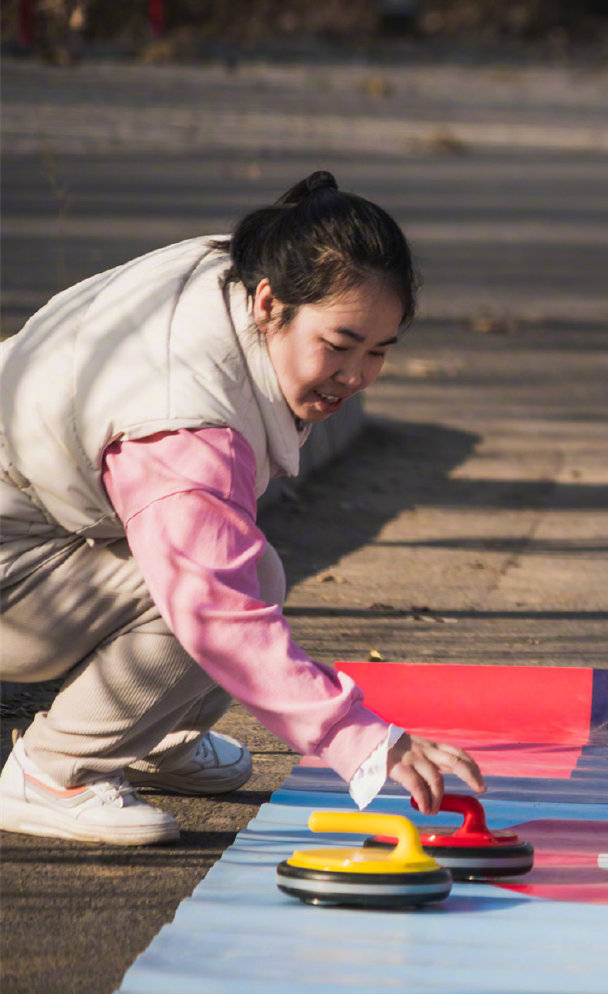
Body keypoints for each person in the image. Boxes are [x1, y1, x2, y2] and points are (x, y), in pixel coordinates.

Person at [0, 171, 485, 846]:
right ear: (269, 303)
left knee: (241, 563)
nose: (356, 376)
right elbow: (213, 609)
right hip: (13, 558)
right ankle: (53, 772)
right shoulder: (187, 419)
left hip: (33, 518)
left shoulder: (236, 269)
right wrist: (368, 743)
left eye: (378, 352)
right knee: (226, 588)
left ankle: (149, 735)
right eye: (340, 346)